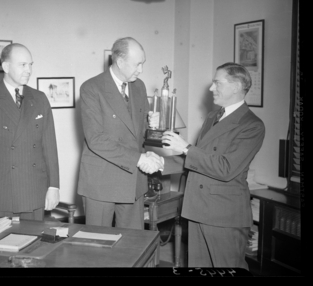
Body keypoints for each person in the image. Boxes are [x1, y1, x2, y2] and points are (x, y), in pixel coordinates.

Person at [160, 62, 265, 269]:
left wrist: (187, 148)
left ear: (236, 86)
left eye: (217, 83)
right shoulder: (213, 117)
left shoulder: (252, 125)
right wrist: (158, 163)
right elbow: (197, 162)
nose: (211, 88)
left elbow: (225, 168)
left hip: (224, 215)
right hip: (198, 208)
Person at [0, 43, 60, 221]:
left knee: (34, 245)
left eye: (31, 64)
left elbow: (50, 147)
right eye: (22, 65)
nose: (29, 70)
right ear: (6, 66)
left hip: (34, 190)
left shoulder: (39, 99)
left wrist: (54, 187)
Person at [78, 37, 163, 230]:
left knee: (133, 246)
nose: (141, 70)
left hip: (133, 181)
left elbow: (140, 136)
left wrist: (152, 128)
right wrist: (139, 159)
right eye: (137, 64)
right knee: (97, 247)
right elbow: (96, 140)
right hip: (101, 181)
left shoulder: (139, 86)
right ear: (120, 62)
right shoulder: (92, 88)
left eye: (143, 63)